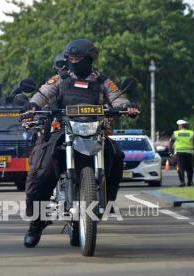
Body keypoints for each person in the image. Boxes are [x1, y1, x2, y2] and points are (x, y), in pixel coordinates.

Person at [22, 39, 140, 248]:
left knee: (118, 156)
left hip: (95, 131)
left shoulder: (103, 81)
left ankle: (108, 200)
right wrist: (33, 105)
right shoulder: (59, 79)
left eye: (79, 59)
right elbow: (43, 93)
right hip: (63, 131)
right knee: (42, 169)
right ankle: (37, 222)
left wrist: (127, 106)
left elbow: (117, 97)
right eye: (72, 59)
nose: (75, 62)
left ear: (90, 59)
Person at [170, 119, 194, 187]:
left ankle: (182, 182)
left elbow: (171, 143)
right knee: (189, 168)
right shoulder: (192, 133)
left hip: (179, 153)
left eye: (178, 126)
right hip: (189, 153)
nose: (178, 127)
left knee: (180, 168)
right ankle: (189, 182)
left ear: (180, 126)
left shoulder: (175, 133)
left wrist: (171, 153)